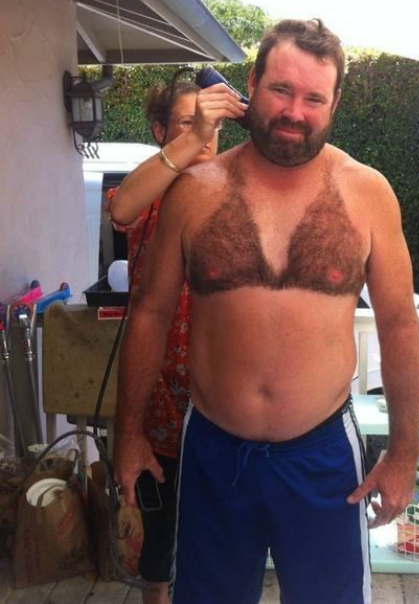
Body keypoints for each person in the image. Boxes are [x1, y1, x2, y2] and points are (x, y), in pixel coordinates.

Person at [115, 19, 419, 604]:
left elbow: (399, 324)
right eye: (281, 89)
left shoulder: (367, 194)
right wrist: (127, 432)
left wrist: (404, 454)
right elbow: (150, 312)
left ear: (334, 104)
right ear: (252, 85)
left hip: (323, 456)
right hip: (212, 453)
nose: (294, 112)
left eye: (314, 98)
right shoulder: (196, 190)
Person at [108, 78, 220, 604]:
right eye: (189, 123)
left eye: (212, 124)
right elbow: (121, 209)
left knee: (215, 542)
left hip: (219, 402)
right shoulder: (152, 192)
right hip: (160, 405)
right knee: (159, 548)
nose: (206, 134)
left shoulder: (230, 189)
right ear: (160, 132)